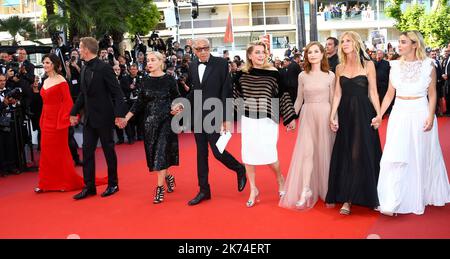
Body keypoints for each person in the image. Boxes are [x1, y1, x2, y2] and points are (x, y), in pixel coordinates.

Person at [377, 31, 450, 216]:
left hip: (420, 112)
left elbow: (432, 93)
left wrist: (430, 115)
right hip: (399, 112)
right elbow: (388, 95)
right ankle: (392, 199)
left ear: (415, 44)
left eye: (403, 42)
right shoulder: (394, 65)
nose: (398, 45)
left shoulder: (428, 66)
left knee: (420, 154)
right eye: (399, 42)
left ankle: (420, 193)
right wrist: (379, 114)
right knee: (395, 155)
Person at [234, 41, 297, 207]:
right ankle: (253, 189)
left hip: (268, 121)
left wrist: (289, 118)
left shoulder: (274, 73)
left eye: (263, 52)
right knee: (248, 156)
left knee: (270, 156)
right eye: (257, 52)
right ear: (250, 55)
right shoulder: (241, 74)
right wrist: (228, 117)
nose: (261, 55)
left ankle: (280, 178)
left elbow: (283, 95)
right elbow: (234, 96)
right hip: (248, 121)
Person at [326, 31, 383, 215]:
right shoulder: (339, 67)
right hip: (345, 114)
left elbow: (373, 92)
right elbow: (337, 94)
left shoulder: (368, 65)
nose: (344, 43)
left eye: (348, 40)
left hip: (363, 113)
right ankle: (348, 199)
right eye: (342, 41)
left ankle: (370, 195)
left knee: (362, 153)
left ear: (356, 43)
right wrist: (332, 115)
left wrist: (379, 114)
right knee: (347, 154)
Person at [186, 38, 247, 206]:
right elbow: (194, 91)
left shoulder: (220, 63)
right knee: (201, 154)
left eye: (205, 48)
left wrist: (226, 118)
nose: (203, 51)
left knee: (217, 151)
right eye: (199, 49)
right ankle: (204, 190)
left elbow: (226, 91)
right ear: (194, 51)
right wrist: (182, 104)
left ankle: (239, 168)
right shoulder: (192, 65)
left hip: (215, 114)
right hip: (197, 115)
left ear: (210, 48)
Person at [34, 54, 106, 193]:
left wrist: (68, 118)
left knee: (60, 152)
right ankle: (45, 183)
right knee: (46, 153)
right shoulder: (45, 80)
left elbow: (67, 102)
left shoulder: (61, 80)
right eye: (44, 63)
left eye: (47, 62)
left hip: (57, 121)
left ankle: (64, 181)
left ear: (54, 64)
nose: (45, 65)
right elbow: (44, 102)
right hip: (46, 119)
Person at [70, 37, 128, 200]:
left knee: (109, 151)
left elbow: (117, 93)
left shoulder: (104, 68)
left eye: (80, 47)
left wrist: (119, 115)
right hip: (88, 118)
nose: (79, 50)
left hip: (104, 117)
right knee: (87, 153)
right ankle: (89, 187)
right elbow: (83, 94)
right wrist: (74, 112)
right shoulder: (83, 68)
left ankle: (113, 184)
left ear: (87, 49)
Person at [279, 42, 335, 210]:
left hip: (325, 114)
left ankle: (327, 190)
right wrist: (291, 118)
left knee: (325, 153)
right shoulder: (302, 75)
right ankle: (306, 189)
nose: (312, 55)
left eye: (316, 51)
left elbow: (333, 100)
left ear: (322, 54)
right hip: (307, 115)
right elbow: (298, 99)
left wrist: (334, 118)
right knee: (307, 153)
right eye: (309, 52)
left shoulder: (330, 75)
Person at [122, 52, 183, 204]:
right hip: (149, 123)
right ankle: (168, 176)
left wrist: (178, 108)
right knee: (155, 156)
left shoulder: (169, 79)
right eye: (148, 60)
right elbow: (139, 103)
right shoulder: (144, 80)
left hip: (166, 122)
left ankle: (159, 189)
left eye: (152, 60)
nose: (149, 63)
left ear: (161, 62)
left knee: (161, 153)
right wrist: (126, 118)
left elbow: (177, 98)